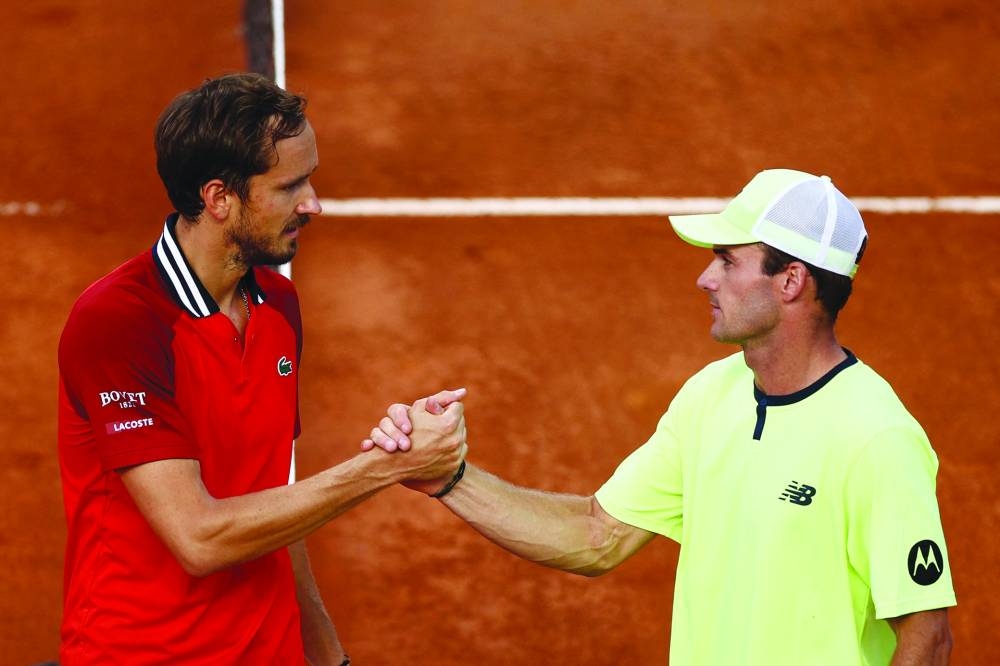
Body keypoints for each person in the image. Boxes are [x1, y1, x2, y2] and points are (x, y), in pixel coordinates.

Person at [368, 169, 957, 665]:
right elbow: (598, 534)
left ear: (791, 280)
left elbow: (926, 635)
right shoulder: (713, 394)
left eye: (727, 261)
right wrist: (449, 477)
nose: (705, 278)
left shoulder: (876, 436)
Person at [56, 72, 468, 665]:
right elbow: (198, 537)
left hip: (268, 650)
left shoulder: (277, 304)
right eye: (290, 186)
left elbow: (271, 491)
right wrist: (382, 468)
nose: (314, 204)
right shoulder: (120, 324)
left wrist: (327, 653)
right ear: (219, 198)